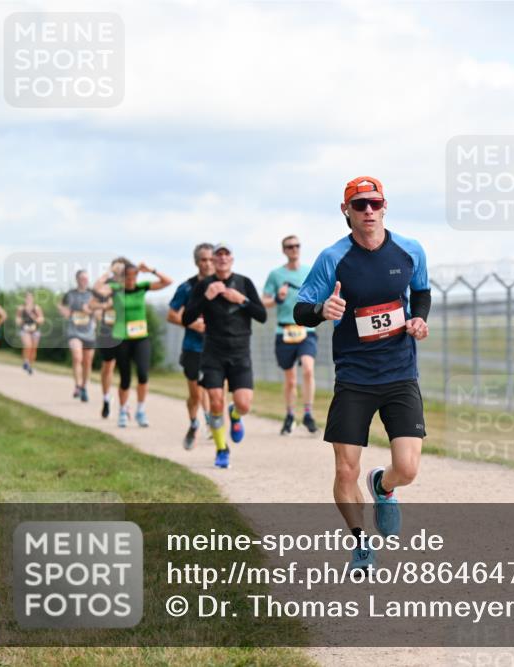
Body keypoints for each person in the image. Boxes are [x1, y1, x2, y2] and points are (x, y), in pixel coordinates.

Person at [294, 176, 430, 570]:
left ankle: (383, 487)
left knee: (407, 468)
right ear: (346, 211)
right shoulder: (332, 258)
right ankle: (360, 543)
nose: (368, 211)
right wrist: (323, 311)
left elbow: (421, 291)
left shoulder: (410, 249)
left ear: (385, 206)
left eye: (374, 203)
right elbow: (301, 309)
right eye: (359, 205)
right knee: (344, 467)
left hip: (400, 371)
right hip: (354, 377)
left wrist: (419, 319)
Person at [183, 242, 267, 469]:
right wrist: (205, 298)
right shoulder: (203, 286)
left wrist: (242, 300)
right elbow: (186, 318)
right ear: (213, 260)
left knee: (244, 404)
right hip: (213, 353)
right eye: (217, 255)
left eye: (225, 254)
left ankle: (236, 415)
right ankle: (221, 449)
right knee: (216, 402)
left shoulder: (244, 283)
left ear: (231, 259)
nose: (221, 258)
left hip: (240, 352)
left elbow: (262, 315)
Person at [95, 262, 172, 427]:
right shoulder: (115, 288)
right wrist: (109, 272)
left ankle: (141, 410)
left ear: (137, 277)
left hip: (140, 337)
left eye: (134, 277)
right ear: (122, 277)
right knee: (125, 378)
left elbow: (168, 282)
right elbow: (97, 288)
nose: (131, 280)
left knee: (143, 375)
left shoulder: (141, 287)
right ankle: (123, 411)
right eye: (127, 277)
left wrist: (151, 269)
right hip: (121, 338)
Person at [263, 235, 318, 435]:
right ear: (284, 250)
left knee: (308, 370)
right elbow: (264, 301)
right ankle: (289, 415)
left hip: (306, 330)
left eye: (297, 245)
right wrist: (278, 298)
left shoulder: (309, 271)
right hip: (284, 330)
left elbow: (319, 293)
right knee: (291, 379)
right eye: (289, 246)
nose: (294, 249)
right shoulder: (276, 275)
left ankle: (308, 414)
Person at [168, 243, 215, 449]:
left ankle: (213, 425)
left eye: (210, 259)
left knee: (214, 391)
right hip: (193, 347)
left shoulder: (223, 285)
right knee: (196, 394)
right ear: (197, 262)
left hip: (216, 347)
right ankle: (194, 423)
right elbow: (172, 314)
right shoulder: (187, 287)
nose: (207, 263)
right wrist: (192, 324)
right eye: (203, 260)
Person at [93, 257, 127, 419]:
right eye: (116, 267)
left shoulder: (129, 284)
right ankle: (106, 399)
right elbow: (94, 295)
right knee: (108, 366)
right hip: (107, 330)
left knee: (124, 368)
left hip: (125, 331)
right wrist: (104, 306)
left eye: (121, 267)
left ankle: (123, 405)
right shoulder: (107, 285)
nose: (119, 269)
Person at [59, 270, 97, 402]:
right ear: (77, 279)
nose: (84, 281)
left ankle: (84, 386)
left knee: (87, 361)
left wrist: (91, 311)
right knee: (77, 357)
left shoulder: (93, 294)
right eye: (82, 278)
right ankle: (77, 385)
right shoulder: (70, 294)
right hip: (74, 331)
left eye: (86, 278)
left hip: (89, 332)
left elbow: (99, 310)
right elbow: (61, 305)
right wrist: (65, 312)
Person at [15, 291, 44, 374]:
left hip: (35, 330)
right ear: (25, 298)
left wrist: (35, 318)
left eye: (30, 297)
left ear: (33, 298)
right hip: (25, 329)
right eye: (27, 297)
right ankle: (26, 361)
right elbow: (17, 319)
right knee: (28, 345)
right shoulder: (21, 308)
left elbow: (41, 319)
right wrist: (22, 323)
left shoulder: (37, 308)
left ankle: (30, 366)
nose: (29, 299)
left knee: (34, 349)